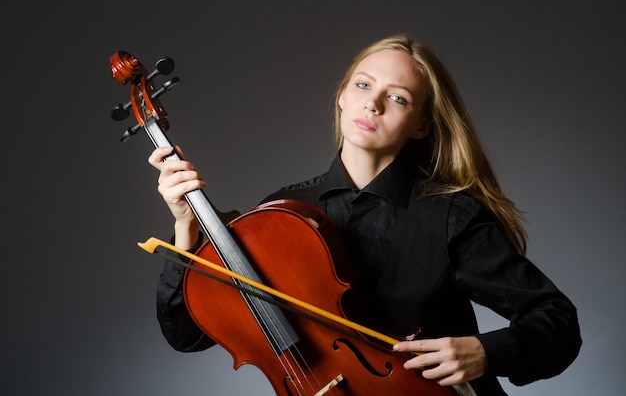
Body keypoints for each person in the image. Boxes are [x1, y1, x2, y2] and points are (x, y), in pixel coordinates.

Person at [148, 34, 581, 395]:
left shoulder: (449, 215)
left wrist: (484, 353)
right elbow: (188, 335)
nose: (372, 104)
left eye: (397, 97)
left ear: (421, 125)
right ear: (341, 95)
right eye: (362, 85)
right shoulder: (279, 218)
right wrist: (186, 224)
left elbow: (558, 324)